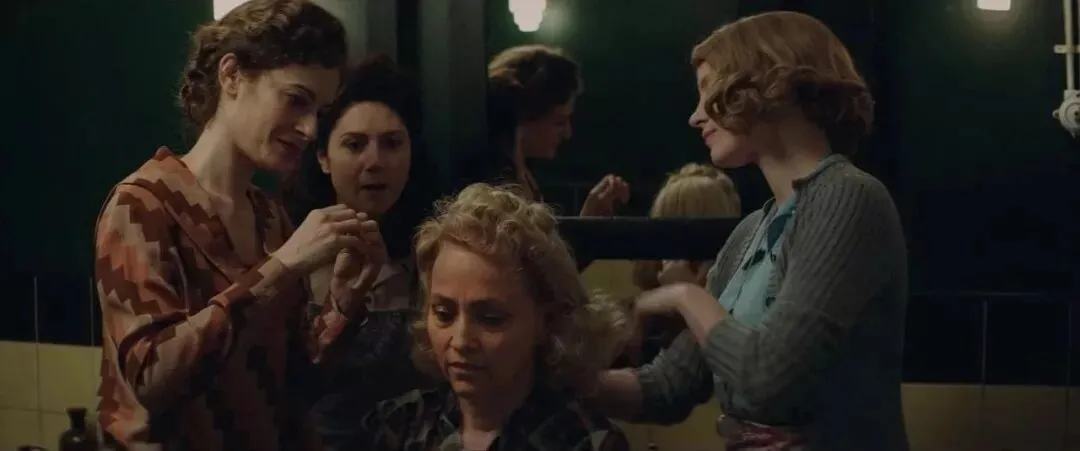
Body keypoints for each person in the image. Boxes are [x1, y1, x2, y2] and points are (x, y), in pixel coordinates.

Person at [592, 11, 909, 451]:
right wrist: (555, 380)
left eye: (708, 90)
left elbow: (768, 380)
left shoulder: (849, 196)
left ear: (768, 82)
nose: (695, 116)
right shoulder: (749, 233)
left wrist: (682, 296)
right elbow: (668, 386)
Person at [93, 1, 374, 449]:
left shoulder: (269, 216)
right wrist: (279, 269)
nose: (308, 129)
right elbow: (151, 376)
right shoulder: (142, 205)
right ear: (231, 76)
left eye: (319, 112)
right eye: (296, 100)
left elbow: (290, 388)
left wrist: (342, 303)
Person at [347, 183, 632, 451]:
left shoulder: (587, 443)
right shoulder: (397, 426)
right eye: (444, 314)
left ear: (546, 321)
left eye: (491, 319)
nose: (461, 340)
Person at [282, 53, 439, 449]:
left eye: (392, 143)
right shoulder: (287, 249)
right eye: (354, 144)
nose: (375, 162)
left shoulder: (436, 252)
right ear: (322, 157)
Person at [461, 45, 630, 216]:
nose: (567, 133)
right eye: (559, 122)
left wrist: (589, 219)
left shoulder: (523, 175)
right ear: (526, 113)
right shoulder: (496, 190)